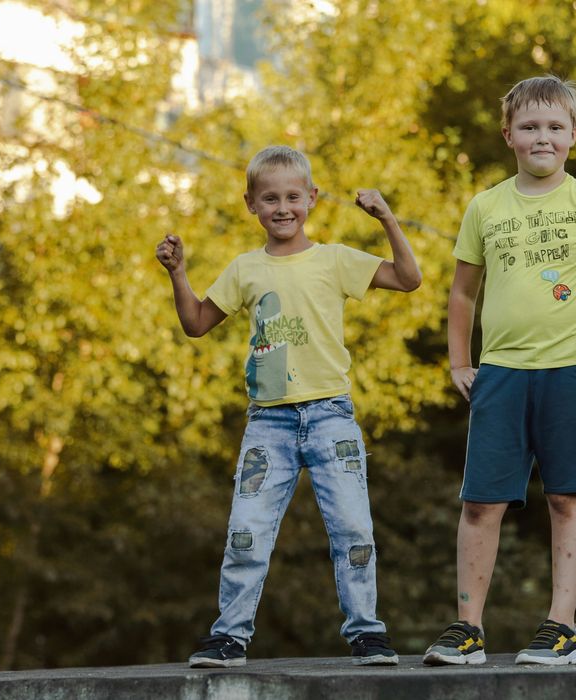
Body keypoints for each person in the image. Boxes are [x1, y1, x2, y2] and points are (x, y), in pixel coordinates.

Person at [423, 75, 576, 667]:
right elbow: (461, 295)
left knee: (566, 497)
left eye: (555, 127)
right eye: (529, 126)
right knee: (481, 502)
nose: (542, 137)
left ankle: (562, 629)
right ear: (508, 134)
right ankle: (467, 630)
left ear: (573, 135)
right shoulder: (486, 205)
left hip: (570, 370)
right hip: (500, 372)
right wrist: (459, 359)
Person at [154, 145, 421, 668]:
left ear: (312, 199)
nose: (282, 208)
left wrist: (387, 218)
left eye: (293, 197)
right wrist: (178, 273)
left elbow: (409, 279)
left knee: (353, 531)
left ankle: (367, 632)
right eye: (269, 198)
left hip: (331, 418)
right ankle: (229, 636)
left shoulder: (335, 260)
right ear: (250, 203)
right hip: (268, 425)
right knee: (246, 533)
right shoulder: (245, 269)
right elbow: (196, 324)